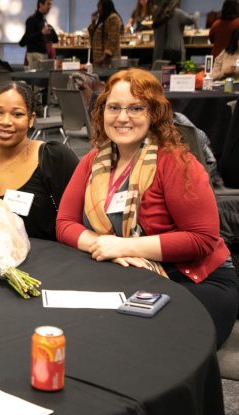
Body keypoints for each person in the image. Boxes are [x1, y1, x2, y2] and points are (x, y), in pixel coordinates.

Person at [56, 69, 237, 348]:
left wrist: (123, 246)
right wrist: (103, 245)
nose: (123, 117)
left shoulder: (177, 163)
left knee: (135, 342)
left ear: (154, 113)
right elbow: (65, 223)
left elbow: (201, 239)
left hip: (193, 282)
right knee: (78, 328)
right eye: (114, 107)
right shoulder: (93, 162)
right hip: (129, 273)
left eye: (136, 108)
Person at [0, 82, 78, 241]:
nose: (5, 121)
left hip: (45, 262)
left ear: (31, 119)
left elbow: (78, 221)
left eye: (17, 114)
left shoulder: (53, 158)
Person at [151, 0, 194, 64]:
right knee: (177, 72)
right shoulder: (178, 13)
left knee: (158, 72)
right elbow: (191, 20)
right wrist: (196, 14)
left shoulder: (156, 14)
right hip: (175, 52)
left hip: (159, 54)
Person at [19, 0, 58, 69]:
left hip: (43, 55)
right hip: (35, 55)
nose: (50, 7)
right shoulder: (31, 20)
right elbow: (28, 38)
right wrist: (41, 33)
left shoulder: (43, 20)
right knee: (37, 79)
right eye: (48, 4)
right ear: (40, 4)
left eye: (50, 4)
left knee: (43, 78)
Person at [88, 0, 123, 69]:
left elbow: (112, 39)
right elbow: (92, 34)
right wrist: (93, 22)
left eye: (99, 7)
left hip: (107, 60)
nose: (98, 10)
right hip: (100, 59)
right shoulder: (104, 19)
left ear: (105, 7)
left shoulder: (113, 18)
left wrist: (104, 56)